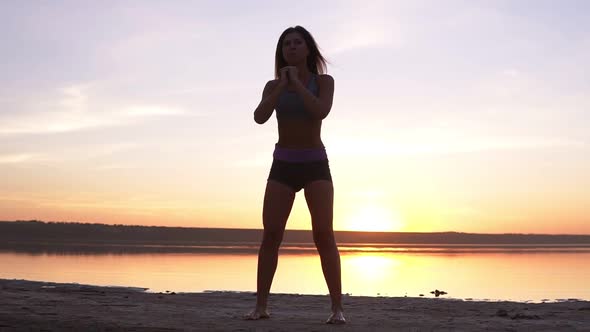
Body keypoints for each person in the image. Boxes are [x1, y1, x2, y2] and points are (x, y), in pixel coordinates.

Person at [245, 25, 346, 324]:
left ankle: (337, 308)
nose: (291, 47)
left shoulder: (324, 81)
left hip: (315, 164)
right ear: (282, 51)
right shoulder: (271, 86)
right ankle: (261, 306)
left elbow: (320, 111)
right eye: (286, 43)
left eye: (297, 42)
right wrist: (281, 85)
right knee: (271, 235)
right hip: (283, 165)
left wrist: (298, 84)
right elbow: (259, 116)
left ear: (307, 49)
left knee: (323, 234)